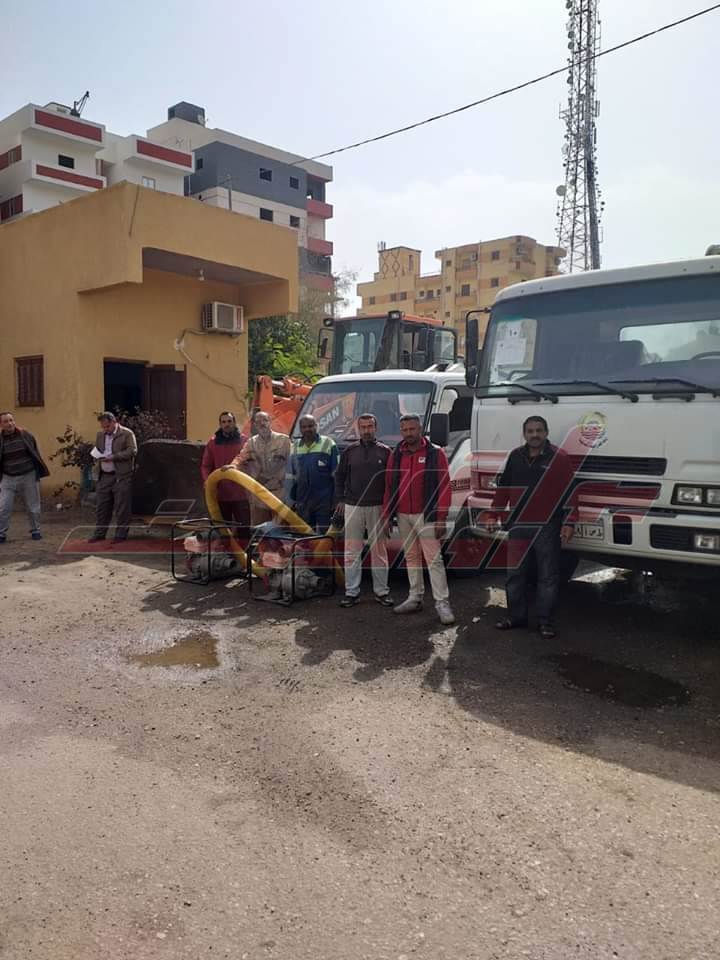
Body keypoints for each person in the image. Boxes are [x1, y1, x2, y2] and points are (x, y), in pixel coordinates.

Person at [486, 415, 576, 640]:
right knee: (514, 574)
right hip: (518, 524)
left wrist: (569, 521)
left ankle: (545, 622)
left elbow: (570, 493)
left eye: (538, 430)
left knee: (547, 576)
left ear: (546, 433)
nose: (534, 435)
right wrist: (493, 514)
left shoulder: (559, 458)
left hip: (547, 526)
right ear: (524, 434)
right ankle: (516, 617)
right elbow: (504, 489)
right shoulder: (515, 456)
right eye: (530, 431)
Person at [383, 413, 455, 626]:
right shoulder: (396, 454)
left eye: (412, 429)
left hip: (427, 515)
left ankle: (442, 603)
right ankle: (415, 597)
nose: (408, 433)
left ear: (420, 429)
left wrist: (441, 517)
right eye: (405, 430)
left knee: (434, 560)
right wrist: (387, 515)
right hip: (403, 515)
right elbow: (389, 485)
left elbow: (444, 486)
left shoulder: (435, 453)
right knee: (411, 557)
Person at [334, 413, 393, 608]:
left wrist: (389, 510)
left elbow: (392, 483)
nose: (366, 430)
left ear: (376, 428)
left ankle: (382, 592)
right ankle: (352, 592)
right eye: (363, 427)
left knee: (379, 551)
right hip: (353, 506)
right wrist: (340, 499)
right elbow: (340, 476)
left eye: (370, 426)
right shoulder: (350, 451)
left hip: (378, 507)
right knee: (352, 551)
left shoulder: (386, 452)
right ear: (358, 429)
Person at [226, 410, 291, 526]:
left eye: (265, 420)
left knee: (281, 530)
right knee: (259, 530)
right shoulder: (251, 443)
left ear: (270, 421)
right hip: (260, 495)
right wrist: (233, 466)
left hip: (279, 494)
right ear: (255, 425)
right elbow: (241, 457)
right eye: (258, 422)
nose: (262, 424)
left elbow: (293, 463)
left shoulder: (284, 441)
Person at [0, 412, 50, 543]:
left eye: (11, 420)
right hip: (8, 477)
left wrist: (37, 471)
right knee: (4, 506)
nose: (10, 423)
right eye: (6, 421)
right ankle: (1, 533)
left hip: (28, 474)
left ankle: (35, 530)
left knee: (33, 505)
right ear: (1, 425)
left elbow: (34, 451)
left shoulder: (25, 434)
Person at [88, 412, 138, 544]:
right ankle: (99, 534)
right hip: (104, 475)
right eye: (103, 427)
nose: (105, 429)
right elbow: (98, 449)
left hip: (121, 476)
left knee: (122, 507)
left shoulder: (127, 434)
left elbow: (132, 451)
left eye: (107, 426)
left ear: (114, 422)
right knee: (102, 507)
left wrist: (114, 457)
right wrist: (97, 455)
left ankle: (120, 535)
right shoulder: (100, 435)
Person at [287, 414, 338, 532]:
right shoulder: (294, 447)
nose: (307, 429)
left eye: (310, 426)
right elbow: (290, 477)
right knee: (305, 536)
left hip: (324, 501)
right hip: (302, 501)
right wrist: (290, 501)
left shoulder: (328, 443)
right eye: (304, 427)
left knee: (326, 536)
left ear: (316, 426)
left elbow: (337, 475)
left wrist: (336, 500)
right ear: (300, 429)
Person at [200, 411, 250, 530]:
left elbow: (245, 458)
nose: (226, 424)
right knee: (223, 530)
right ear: (220, 424)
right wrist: (207, 481)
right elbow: (206, 466)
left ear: (234, 422)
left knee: (244, 529)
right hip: (221, 493)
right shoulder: (213, 443)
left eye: (229, 421)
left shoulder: (244, 441)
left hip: (241, 493)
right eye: (223, 422)